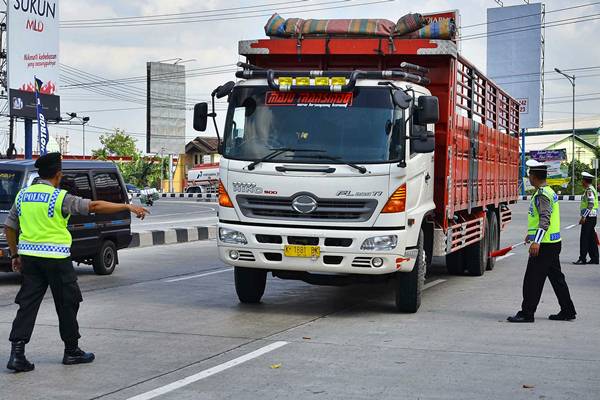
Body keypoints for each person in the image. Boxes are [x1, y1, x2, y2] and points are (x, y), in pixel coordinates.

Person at [5, 153, 149, 372]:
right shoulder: (59, 197)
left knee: (27, 305)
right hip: (56, 260)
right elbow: (95, 206)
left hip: (30, 260)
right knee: (67, 303)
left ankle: (17, 354)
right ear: (58, 174)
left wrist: (15, 255)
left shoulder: (23, 195)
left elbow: (10, 226)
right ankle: (71, 351)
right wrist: (127, 207)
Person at [507, 159, 577, 323]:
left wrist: (536, 241)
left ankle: (527, 313)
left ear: (534, 177)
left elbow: (544, 219)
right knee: (557, 279)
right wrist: (531, 235)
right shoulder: (549, 191)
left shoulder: (542, 195)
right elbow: (542, 219)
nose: (529, 178)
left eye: (530, 174)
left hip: (544, 245)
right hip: (553, 243)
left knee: (532, 280)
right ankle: (568, 310)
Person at [573, 171, 599, 265]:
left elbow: (591, 204)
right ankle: (595, 258)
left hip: (589, 217)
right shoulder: (591, 189)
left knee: (584, 238)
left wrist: (584, 216)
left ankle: (582, 258)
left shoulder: (589, 190)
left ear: (584, 181)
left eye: (582, 180)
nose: (581, 182)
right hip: (592, 217)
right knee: (591, 238)